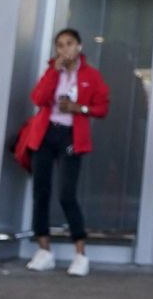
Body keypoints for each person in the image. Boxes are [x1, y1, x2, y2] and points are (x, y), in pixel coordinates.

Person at [19, 28, 109, 277]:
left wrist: (78, 108)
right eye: (59, 45)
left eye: (69, 44)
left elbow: (102, 107)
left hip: (71, 136)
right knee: (41, 191)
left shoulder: (91, 75)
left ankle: (80, 253)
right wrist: (54, 71)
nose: (64, 49)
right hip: (45, 134)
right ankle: (44, 250)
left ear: (79, 47)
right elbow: (38, 98)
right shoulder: (52, 71)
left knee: (67, 194)